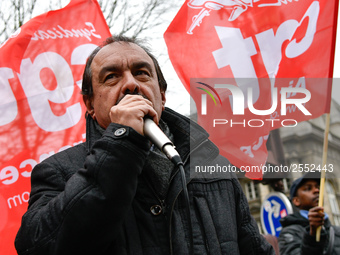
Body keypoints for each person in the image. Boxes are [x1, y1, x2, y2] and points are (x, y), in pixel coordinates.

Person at [15, 35, 274, 255]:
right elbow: (37, 245)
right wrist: (121, 142)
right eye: (111, 77)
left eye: (141, 73)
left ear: (161, 94)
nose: (131, 84)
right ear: (91, 105)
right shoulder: (57, 171)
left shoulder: (214, 166)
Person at [278, 172, 340, 254]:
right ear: (296, 201)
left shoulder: (336, 231)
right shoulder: (290, 233)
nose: (316, 190)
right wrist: (312, 235)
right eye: (308, 188)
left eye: (318, 187)